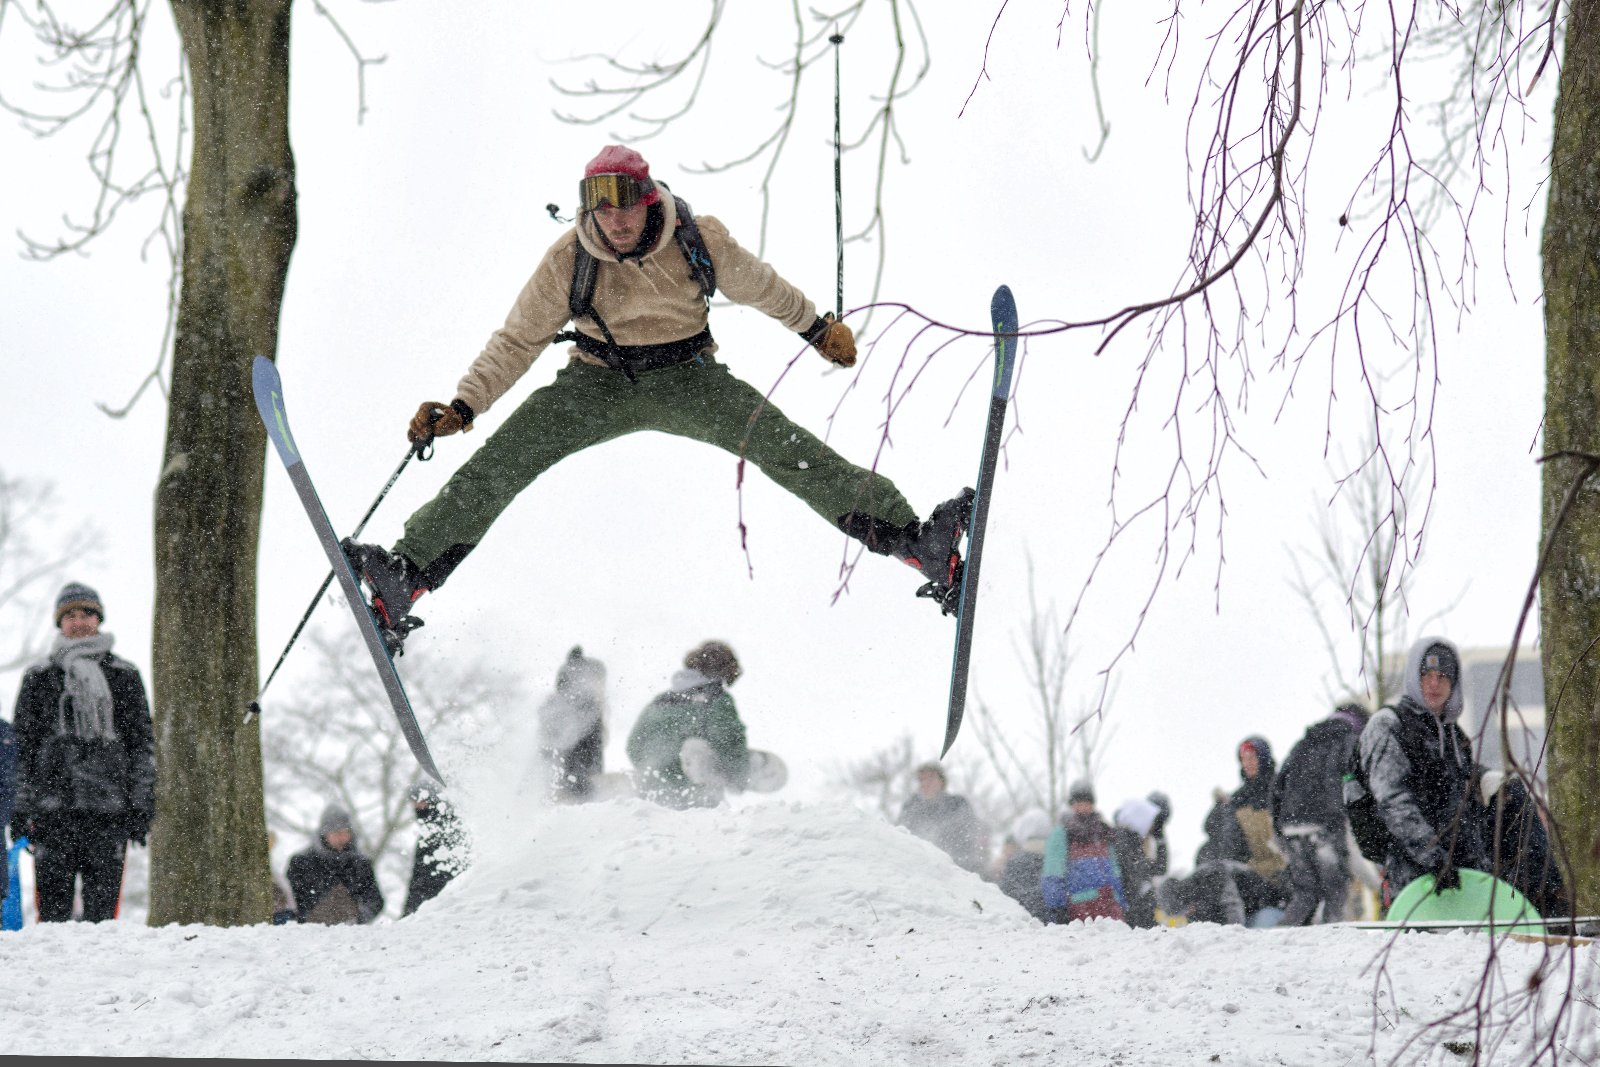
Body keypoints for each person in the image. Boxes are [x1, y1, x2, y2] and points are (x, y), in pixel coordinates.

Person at [340, 145, 974, 654]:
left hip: (692, 377)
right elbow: (518, 339)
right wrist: (464, 407)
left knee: (791, 453)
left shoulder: (699, 238)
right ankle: (405, 577)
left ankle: (919, 542)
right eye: (601, 213)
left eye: (624, 210)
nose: (613, 224)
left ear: (649, 202)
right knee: (501, 463)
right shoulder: (569, 258)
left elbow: (762, 287)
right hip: (596, 382)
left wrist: (815, 329)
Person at [8, 583, 156, 923]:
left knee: (103, 920)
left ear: (99, 619)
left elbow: (141, 745)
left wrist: (140, 805)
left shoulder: (124, 675)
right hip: (51, 813)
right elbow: (22, 750)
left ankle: (105, 976)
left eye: (86, 613)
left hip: (109, 812)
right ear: (59, 623)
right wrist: (20, 810)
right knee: (53, 920)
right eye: (70, 615)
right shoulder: (39, 677)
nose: (79, 622)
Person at [1358, 636, 1489, 903]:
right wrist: (1432, 856)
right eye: (1426, 674)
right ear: (1413, 676)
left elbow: (1463, 808)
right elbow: (1392, 800)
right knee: (1415, 944)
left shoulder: (1456, 737)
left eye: (1443, 676)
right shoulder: (1389, 725)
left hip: (1460, 875)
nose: (1434, 683)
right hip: (1411, 876)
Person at [1271, 702, 1369, 925]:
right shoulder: (1351, 741)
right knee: (1336, 890)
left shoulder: (1303, 743)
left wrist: (1279, 825)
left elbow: (1278, 785)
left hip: (1291, 826)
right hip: (1325, 825)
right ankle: (1334, 945)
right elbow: (1358, 786)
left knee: (1305, 894)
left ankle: (1280, 940)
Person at [627, 641, 751, 809]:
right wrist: (739, 778)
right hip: (695, 797)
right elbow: (728, 742)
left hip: (650, 797)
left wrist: (657, 771)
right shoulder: (717, 700)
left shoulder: (661, 701)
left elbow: (634, 745)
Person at [1041, 781, 1126, 923]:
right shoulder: (1062, 833)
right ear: (1072, 805)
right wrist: (1057, 907)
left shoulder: (1104, 831)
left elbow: (1114, 870)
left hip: (1108, 908)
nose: (1083, 806)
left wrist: (1120, 901)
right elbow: (1053, 872)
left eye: (1087, 802)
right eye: (1078, 802)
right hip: (1078, 909)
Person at [286, 805, 386, 925]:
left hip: (353, 932)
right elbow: (292, 901)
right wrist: (309, 922)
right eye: (336, 833)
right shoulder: (301, 862)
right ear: (324, 834)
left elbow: (375, 901)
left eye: (345, 832)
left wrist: (358, 919)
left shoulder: (361, 863)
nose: (341, 838)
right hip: (310, 933)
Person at [536, 646, 608, 801]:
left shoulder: (555, 705)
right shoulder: (589, 705)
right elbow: (594, 744)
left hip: (562, 766)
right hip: (579, 766)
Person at [896, 762, 986, 874]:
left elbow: (967, 839)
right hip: (915, 871)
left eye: (930, 779)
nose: (925, 784)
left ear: (942, 782)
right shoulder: (911, 807)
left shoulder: (957, 804)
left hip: (954, 871)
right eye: (921, 780)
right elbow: (901, 837)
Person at [403, 783, 465, 916]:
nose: (415, 807)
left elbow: (423, 876)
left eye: (418, 802)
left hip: (445, 903)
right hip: (440, 901)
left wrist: (412, 908)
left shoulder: (438, 831)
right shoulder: (434, 828)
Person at [1111, 795, 1165, 928]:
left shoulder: (1133, 840)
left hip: (1137, 911)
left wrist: (1161, 840)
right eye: (1150, 822)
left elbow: (1159, 869)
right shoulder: (1125, 840)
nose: (1152, 827)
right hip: (1134, 914)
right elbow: (1135, 880)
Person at [997, 809, 1053, 922]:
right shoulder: (1056, 860)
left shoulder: (1015, 862)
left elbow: (1005, 895)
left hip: (1020, 924)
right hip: (1053, 923)